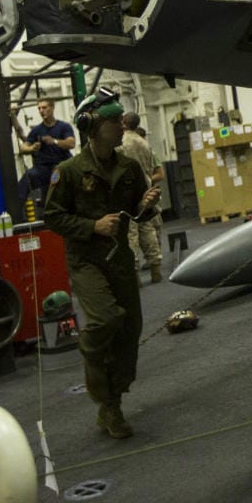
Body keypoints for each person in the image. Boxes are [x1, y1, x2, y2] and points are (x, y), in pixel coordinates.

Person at [43, 88, 161, 439]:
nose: (121, 125)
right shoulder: (69, 171)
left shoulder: (129, 168)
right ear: (91, 127)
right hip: (86, 261)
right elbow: (53, 217)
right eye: (113, 121)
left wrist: (147, 204)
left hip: (120, 259)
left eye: (120, 119)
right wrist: (91, 226)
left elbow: (138, 214)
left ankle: (113, 403)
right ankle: (102, 390)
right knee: (106, 319)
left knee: (130, 329)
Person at [120, 111, 166, 284]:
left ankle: (135, 275)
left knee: (131, 233)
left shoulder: (120, 143)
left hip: (127, 192)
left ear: (124, 122)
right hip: (145, 190)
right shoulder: (144, 143)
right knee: (147, 229)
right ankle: (156, 268)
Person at [15, 99, 75, 203]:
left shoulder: (64, 127)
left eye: (44, 108)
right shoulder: (36, 130)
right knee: (29, 176)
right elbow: (23, 148)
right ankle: (18, 207)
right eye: (39, 108)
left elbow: (71, 143)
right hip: (43, 168)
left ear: (52, 108)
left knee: (58, 175)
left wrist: (54, 141)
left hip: (60, 165)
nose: (41, 111)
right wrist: (32, 148)